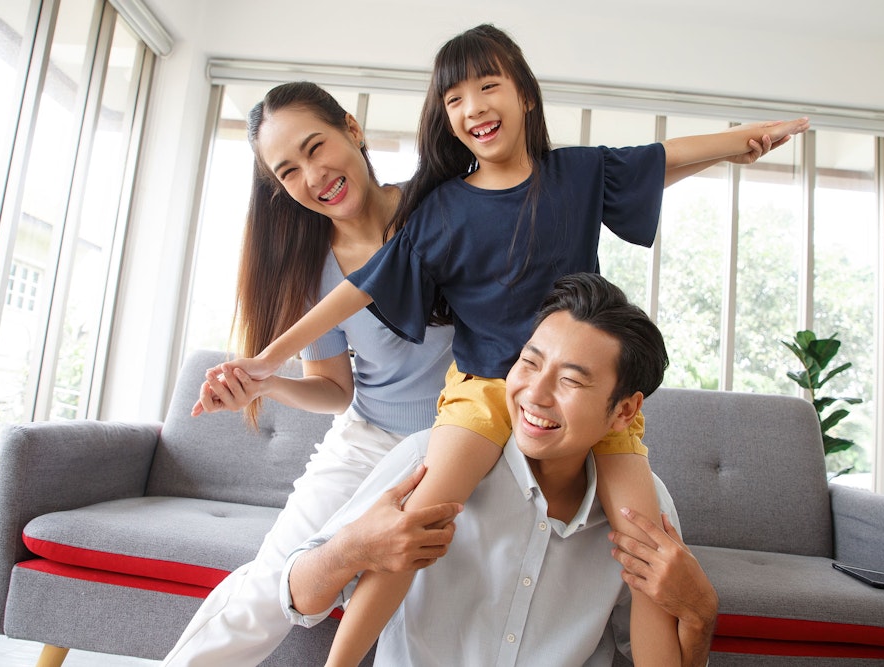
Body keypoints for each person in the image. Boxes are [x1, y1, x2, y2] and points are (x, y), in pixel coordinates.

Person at [214, 24, 807, 666]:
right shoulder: (439, 208)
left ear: (524, 94)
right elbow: (358, 290)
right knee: (419, 519)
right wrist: (268, 360)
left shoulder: (577, 174)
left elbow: (658, 158)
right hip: (480, 387)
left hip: (580, 388)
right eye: (454, 99)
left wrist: (739, 143)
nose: (473, 107)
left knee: (649, 545)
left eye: (489, 86)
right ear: (445, 119)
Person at [161, 81, 461, 666]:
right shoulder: (312, 268)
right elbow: (334, 391)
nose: (312, 175)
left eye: (316, 146)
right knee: (272, 582)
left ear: (353, 128)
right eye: (288, 171)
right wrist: (266, 383)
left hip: (468, 438)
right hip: (370, 439)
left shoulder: (440, 206)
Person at [283, 272, 712, 666]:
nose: (535, 394)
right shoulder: (426, 462)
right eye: (530, 362)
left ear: (625, 412)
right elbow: (299, 599)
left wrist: (700, 616)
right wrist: (352, 548)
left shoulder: (644, 512)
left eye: (571, 381)